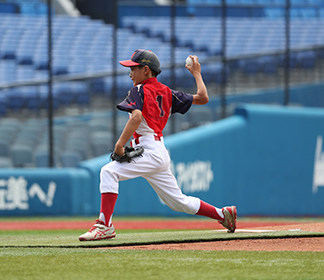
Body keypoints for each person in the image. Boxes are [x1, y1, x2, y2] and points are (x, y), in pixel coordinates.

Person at [79, 49, 236, 241]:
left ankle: (105, 226)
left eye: (133, 68)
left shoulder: (138, 90)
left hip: (148, 150)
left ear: (146, 70)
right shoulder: (168, 92)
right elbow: (203, 98)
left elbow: (136, 117)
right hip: (158, 151)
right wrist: (197, 74)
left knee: (108, 172)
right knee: (178, 202)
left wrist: (120, 145)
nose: (130, 74)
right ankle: (222, 214)